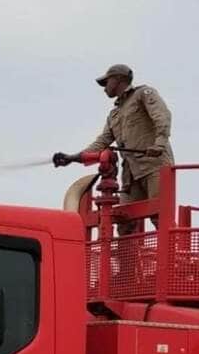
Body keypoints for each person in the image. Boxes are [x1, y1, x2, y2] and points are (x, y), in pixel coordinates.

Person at [53, 64, 174, 233]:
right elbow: (101, 142)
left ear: (118, 79)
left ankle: (169, 254)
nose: (104, 88)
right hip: (131, 174)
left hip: (154, 167)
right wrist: (73, 158)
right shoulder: (114, 114)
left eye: (106, 82)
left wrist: (160, 143)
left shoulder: (143, 94)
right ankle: (129, 260)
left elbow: (162, 116)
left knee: (161, 217)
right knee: (123, 219)